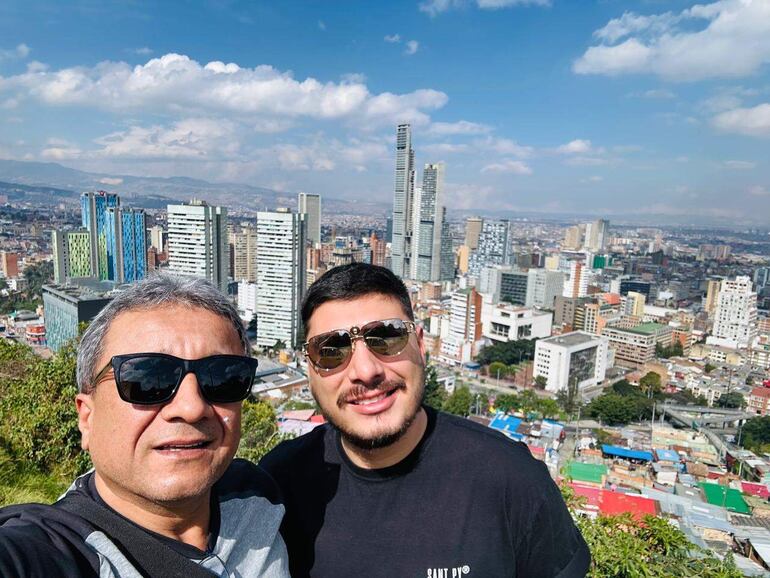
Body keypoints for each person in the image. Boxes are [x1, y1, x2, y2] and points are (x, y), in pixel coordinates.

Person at [261, 263, 590, 577]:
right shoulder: (276, 487)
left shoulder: (511, 481)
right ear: (310, 370)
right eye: (331, 350)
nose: (365, 371)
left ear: (420, 344)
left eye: (387, 338)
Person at [0, 275, 290, 578]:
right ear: (87, 417)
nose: (191, 408)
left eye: (223, 378)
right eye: (148, 380)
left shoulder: (259, 493)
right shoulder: (58, 549)